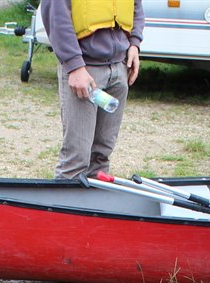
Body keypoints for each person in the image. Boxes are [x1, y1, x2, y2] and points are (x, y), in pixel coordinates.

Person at [41, 0, 143, 179]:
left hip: (119, 68)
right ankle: (65, 206)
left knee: (101, 159)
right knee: (76, 160)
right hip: (85, 70)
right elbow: (56, 15)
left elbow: (136, 5)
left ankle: (94, 204)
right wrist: (74, 66)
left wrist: (134, 43)